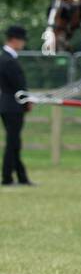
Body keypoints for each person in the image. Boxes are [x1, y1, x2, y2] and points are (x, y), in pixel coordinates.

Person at [1, 25, 33, 187]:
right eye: (21, 41)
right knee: (13, 142)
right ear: (14, 40)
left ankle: (21, 177)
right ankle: (7, 177)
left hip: (9, 105)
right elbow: (18, 86)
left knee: (15, 142)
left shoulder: (6, 58)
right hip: (13, 106)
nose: (23, 44)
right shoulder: (8, 60)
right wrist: (27, 100)